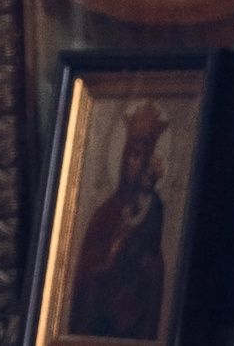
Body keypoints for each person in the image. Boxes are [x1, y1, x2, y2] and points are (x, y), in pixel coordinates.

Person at [69, 102, 170, 338]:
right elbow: (85, 281)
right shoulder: (105, 215)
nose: (140, 165)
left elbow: (154, 267)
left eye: (146, 156)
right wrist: (108, 266)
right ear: (124, 158)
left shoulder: (154, 209)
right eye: (135, 155)